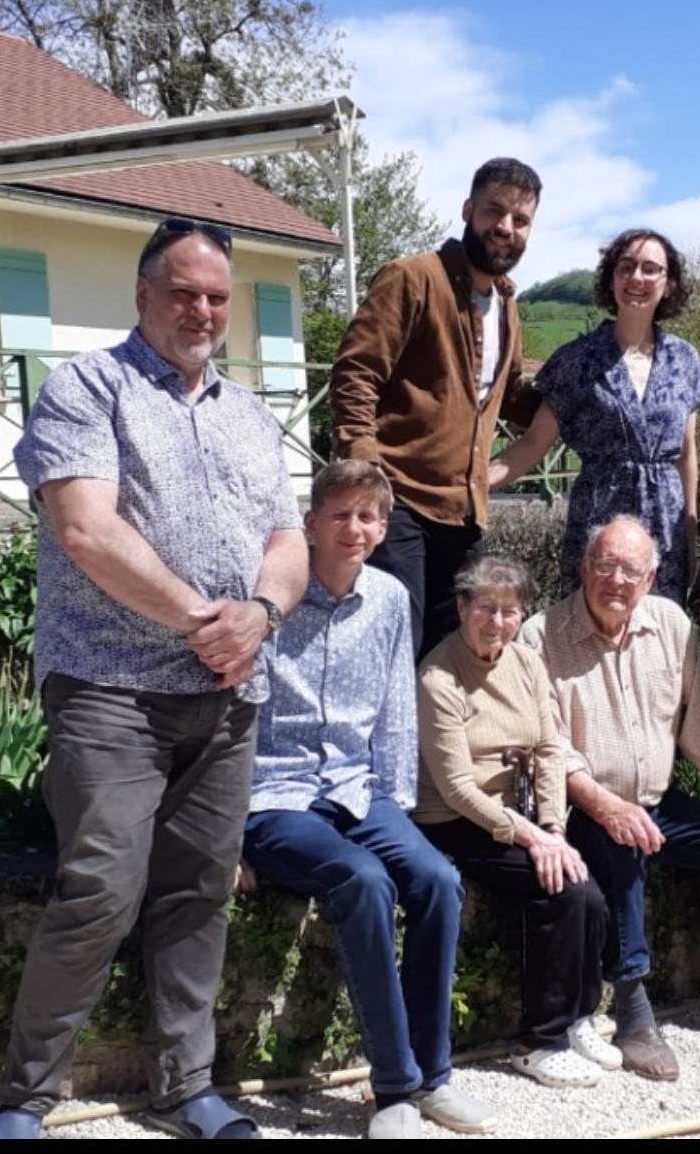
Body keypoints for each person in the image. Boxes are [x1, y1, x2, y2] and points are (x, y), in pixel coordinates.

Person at [0, 218, 308, 1140]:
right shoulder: (89, 386)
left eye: (217, 296)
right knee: (100, 890)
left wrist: (262, 613)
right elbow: (84, 528)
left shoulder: (252, 415)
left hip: (227, 696)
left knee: (201, 892)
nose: (202, 310)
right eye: (183, 292)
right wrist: (206, 620)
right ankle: (23, 1098)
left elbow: (288, 541)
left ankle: (185, 1087)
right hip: (110, 686)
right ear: (143, 295)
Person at [238, 461, 494, 1140]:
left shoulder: (387, 599)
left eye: (368, 517)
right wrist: (224, 835)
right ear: (311, 523)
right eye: (341, 515)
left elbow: (394, 711)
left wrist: (397, 809)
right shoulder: (269, 600)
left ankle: (433, 1076)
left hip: (358, 788)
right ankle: (395, 1088)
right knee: (363, 879)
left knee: (436, 879)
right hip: (277, 792)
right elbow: (230, 715)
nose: (354, 528)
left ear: (383, 529)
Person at [517, 517, 700, 1082]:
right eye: (605, 565)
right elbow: (548, 745)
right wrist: (607, 807)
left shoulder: (670, 625)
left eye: (630, 570)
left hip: (656, 801)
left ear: (650, 578)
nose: (616, 579)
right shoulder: (541, 636)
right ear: (584, 567)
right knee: (621, 844)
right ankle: (633, 1013)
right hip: (583, 804)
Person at [412, 556, 614, 1090]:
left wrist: (554, 829)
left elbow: (549, 748)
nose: (497, 622)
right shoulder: (439, 676)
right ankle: (539, 1042)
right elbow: (457, 788)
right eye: (486, 607)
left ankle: (579, 1017)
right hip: (457, 818)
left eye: (509, 611)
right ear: (462, 607)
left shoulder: (525, 661)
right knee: (562, 892)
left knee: (589, 892)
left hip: (520, 811)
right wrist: (530, 837)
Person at [332, 157, 546, 659]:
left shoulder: (506, 305)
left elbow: (508, 396)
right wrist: (366, 470)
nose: (506, 227)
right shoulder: (411, 279)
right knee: (392, 649)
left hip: (464, 513)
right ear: (468, 210)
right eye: (494, 211)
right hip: (399, 500)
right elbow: (356, 372)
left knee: (453, 654)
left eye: (520, 220)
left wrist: (576, 396)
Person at [490, 229, 700, 605]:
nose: (637, 277)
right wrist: (471, 486)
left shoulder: (684, 360)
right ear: (611, 279)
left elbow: (687, 455)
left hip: (666, 526)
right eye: (626, 267)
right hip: (599, 522)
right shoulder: (576, 360)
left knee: (659, 632)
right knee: (590, 631)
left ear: (669, 284)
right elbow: (531, 444)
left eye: (650, 269)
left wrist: (689, 535)